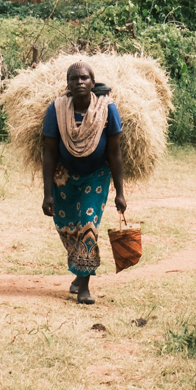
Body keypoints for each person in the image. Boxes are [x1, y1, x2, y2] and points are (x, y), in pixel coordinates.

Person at [40, 61, 127, 305]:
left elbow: (115, 153)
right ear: (68, 84)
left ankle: (85, 287)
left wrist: (120, 193)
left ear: (92, 82)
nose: (79, 82)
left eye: (84, 78)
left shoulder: (107, 109)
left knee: (88, 225)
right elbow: (49, 153)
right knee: (67, 227)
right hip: (64, 177)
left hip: (96, 176)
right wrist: (47, 194)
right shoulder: (56, 110)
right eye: (74, 78)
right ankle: (80, 271)